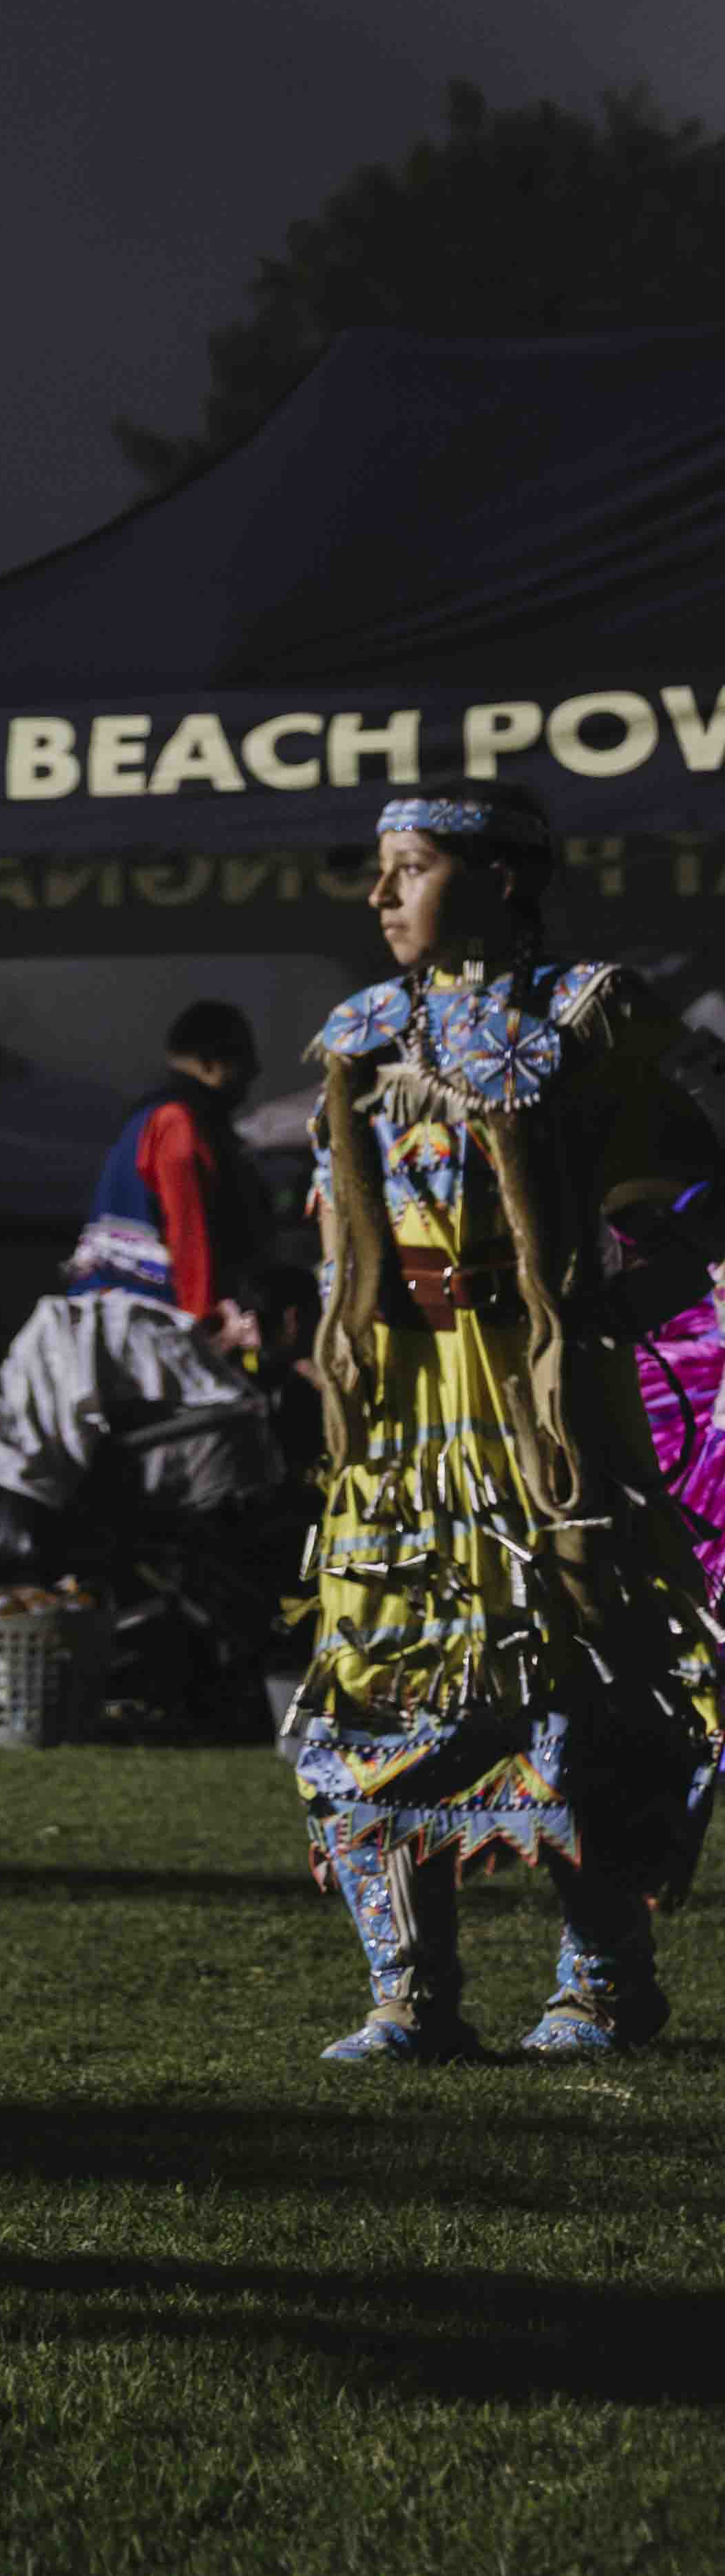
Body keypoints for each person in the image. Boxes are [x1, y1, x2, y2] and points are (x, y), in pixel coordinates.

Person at [292, 783, 725, 2060]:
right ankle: (409, 1994)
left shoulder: (591, 1013)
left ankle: (603, 1984)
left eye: (413, 865)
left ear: (503, 878)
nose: (382, 893)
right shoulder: (360, 1032)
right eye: (381, 868)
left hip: (548, 1407)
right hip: (402, 1412)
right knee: (378, 1675)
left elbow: (692, 1193)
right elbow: (336, 1222)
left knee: (574, 1675)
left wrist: (601, 1298)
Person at [75, 998, 267, 1348]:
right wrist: (205, 1328)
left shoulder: (142, 1121)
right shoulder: (178, 1122)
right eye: (245, 1060)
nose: (255, 1071)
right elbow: (189, 1230)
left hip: (116, 1318)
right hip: (155, 1326)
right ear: (211, 1064)